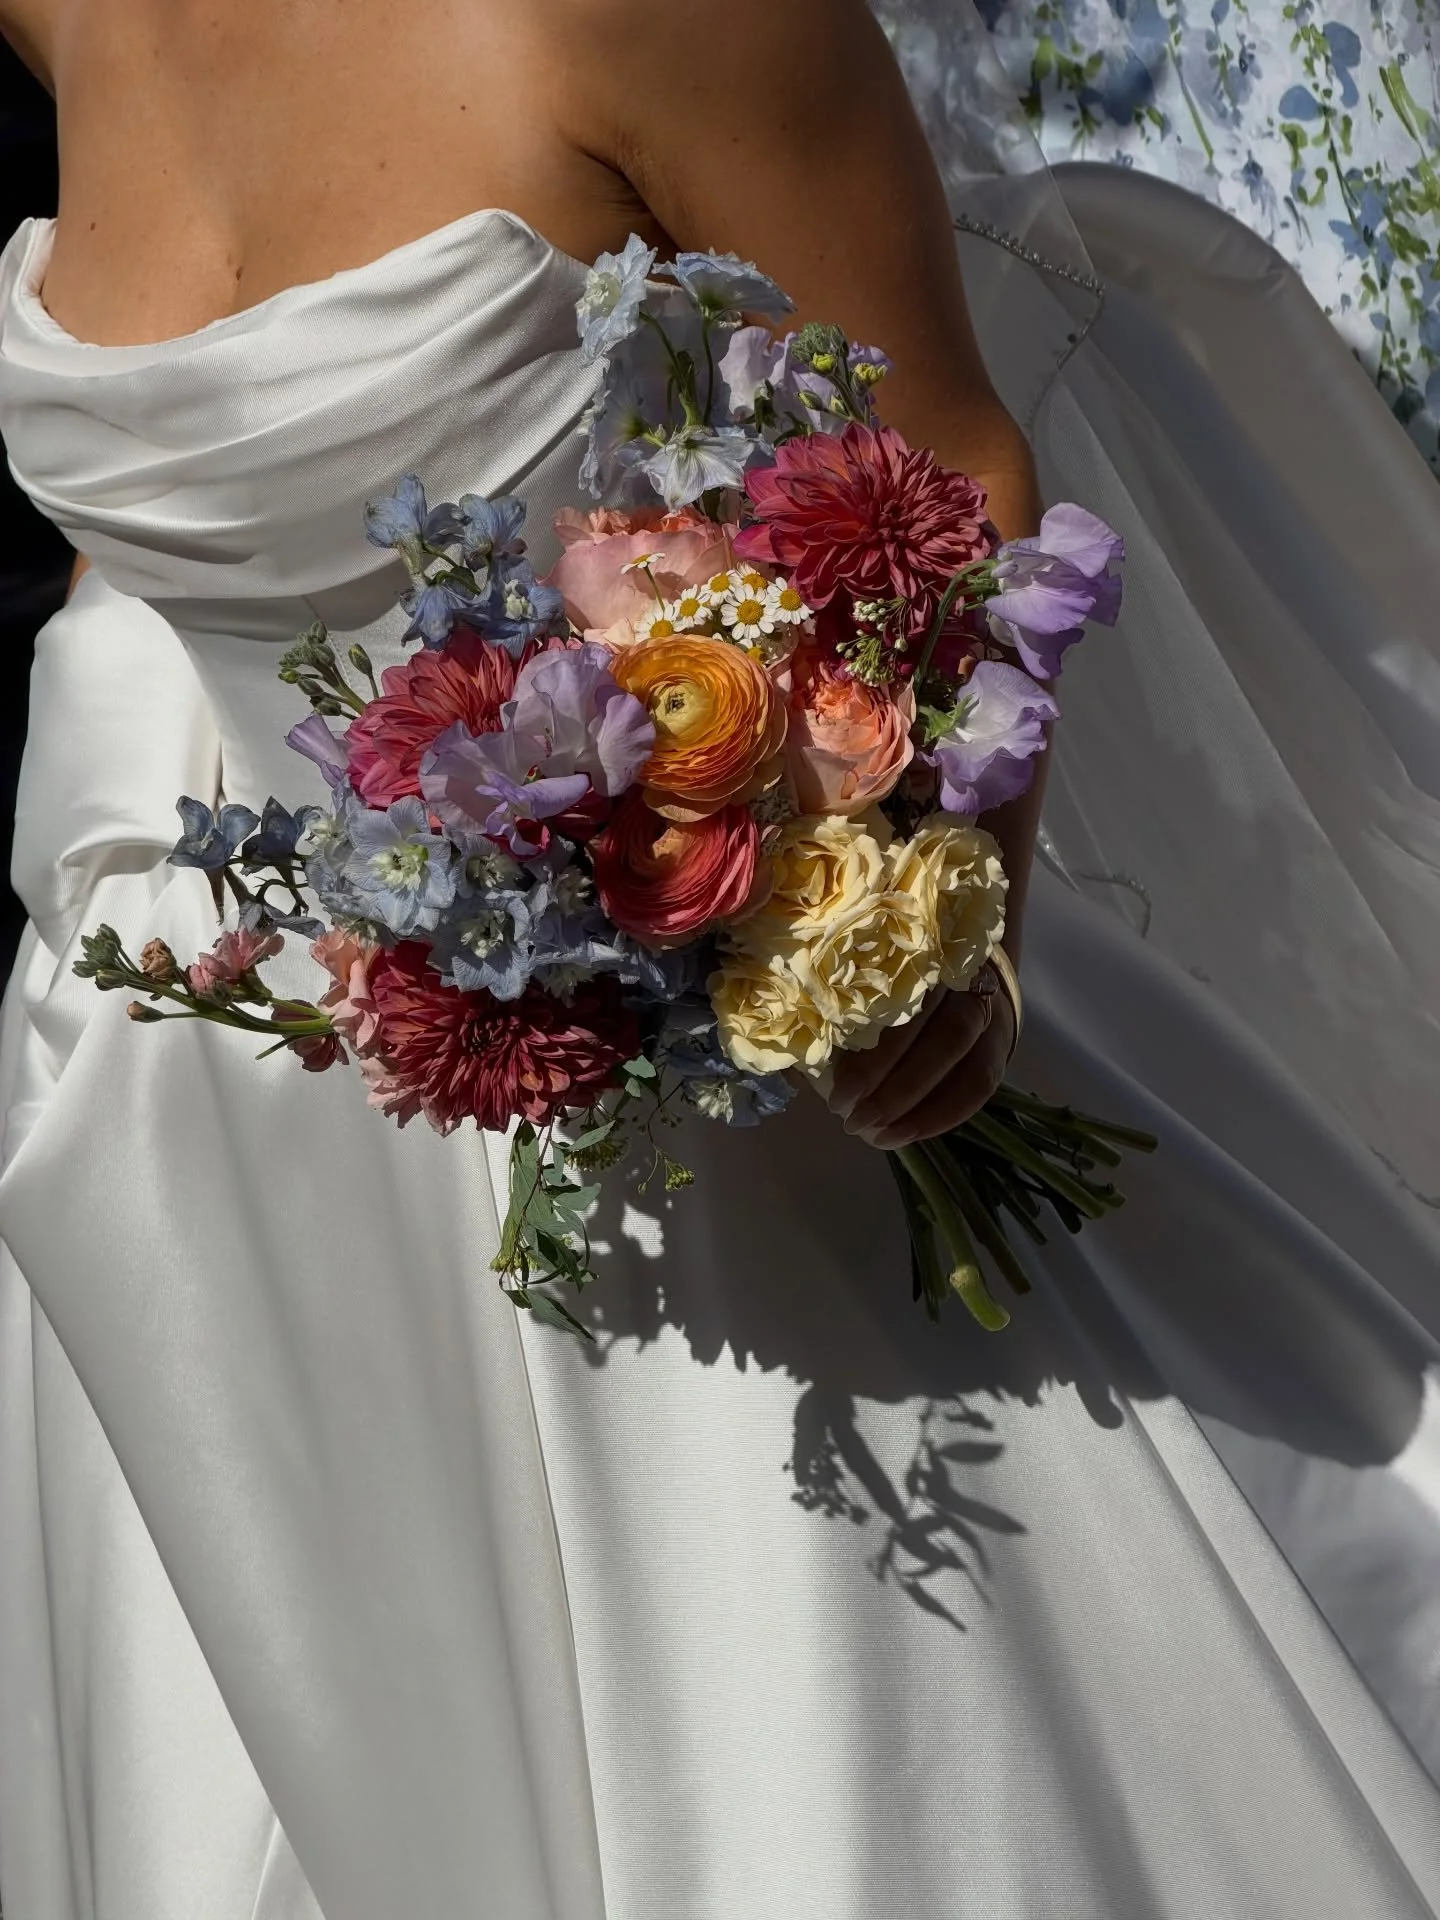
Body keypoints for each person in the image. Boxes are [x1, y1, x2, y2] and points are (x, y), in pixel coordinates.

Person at [0, 2, 1437, 1916]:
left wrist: (938, 930)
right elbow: (171, 541)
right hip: (221, 1109)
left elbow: (944, 466)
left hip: (697, 1072)